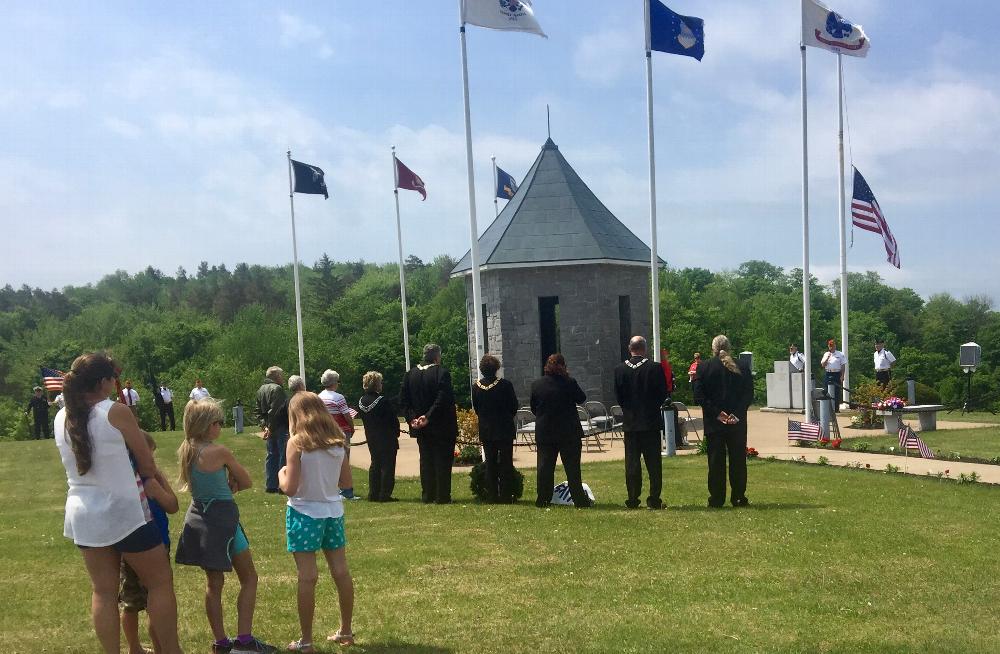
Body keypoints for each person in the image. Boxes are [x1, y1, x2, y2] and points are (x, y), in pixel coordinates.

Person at [53, 352, 183, 654]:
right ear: (103, 381)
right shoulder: (116, 412)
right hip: (125, 511)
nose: (116, 383)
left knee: (103, 592)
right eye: (113, 378)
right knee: (159, 583)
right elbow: (145, 459)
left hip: (83, 513)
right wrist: (151, 478)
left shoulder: (61, 416)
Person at [174, 399, 276, 654]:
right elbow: (247, 481)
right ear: (206, 426)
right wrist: (233, 482)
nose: (220, 426)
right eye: (217, 422)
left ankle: (220, 642)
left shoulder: (186, 449)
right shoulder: (219, 452)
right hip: (223, 520)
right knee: (249, 577)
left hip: (198, 517)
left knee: (214, 583)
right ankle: (244, 641)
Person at [279, 393, 356, 651]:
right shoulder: (337, 443)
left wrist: (281, 475)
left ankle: (306, 640)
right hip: (332, 511)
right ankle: (346, 630)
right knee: (341, 571)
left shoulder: (297, 443)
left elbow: (289, 487)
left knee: (307, 577)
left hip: (303, 512)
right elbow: (346, 484)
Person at [120, 432, 179, 654]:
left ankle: (159, 647)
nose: (152, 463)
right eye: (148, 458)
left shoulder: (156, 478)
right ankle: (134, 647)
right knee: (131, 602)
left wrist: (159, 487)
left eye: (153, 457)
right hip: (136, 548)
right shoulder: (127, 483)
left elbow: (173, 506)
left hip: (158, 544)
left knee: (155, 600)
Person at [693, 335, 754, 508]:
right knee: (738, 461)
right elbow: (748, 393)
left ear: (712, 348)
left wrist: (717, 413)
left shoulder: (704, 367)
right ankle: (739, 497)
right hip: (737, 422)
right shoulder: (742, 366)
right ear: (729, 347)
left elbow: (699, 396)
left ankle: (717, 499)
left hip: (714, 422)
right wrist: (737, 413)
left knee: (715, 462)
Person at [530, 353, 592, 508]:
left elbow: (533, 408)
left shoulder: (537, 384)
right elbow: (581, 398)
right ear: (563, 366)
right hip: (568, 432)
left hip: (545, 432)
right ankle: (579, 499)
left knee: (545, 468)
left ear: (546, 367)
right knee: (572, 469)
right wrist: (567, 377)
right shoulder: (569, 382)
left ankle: (543, 499)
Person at [400, 343, 459, 504]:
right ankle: (442, 496)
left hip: (419, 426)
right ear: (437, 356)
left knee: (426, 460)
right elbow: (443, 399)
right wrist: (428, 417)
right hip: (441, 425)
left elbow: (404, 400)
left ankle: (428, 494)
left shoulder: (410, 374)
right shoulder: (442, 373)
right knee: (443, 460)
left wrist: (412, 418)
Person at [614, 337, 669, 509]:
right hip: (650, 422)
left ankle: (632, 498)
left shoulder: (620, 369)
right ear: (644, 349)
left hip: (631, 423)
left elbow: (619, 397)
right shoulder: (654, 368)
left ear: (629, 348)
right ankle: (654, 499)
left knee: (632, 463)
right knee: (653, 464)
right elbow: (662, 394)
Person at [471, 354, 518, 504]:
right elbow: (513, 407)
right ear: (496, 368)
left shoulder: (476, 387)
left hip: (486, 430)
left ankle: (491, 495)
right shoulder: (505, 385)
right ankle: (505, 495)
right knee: (506, 463)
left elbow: (477, 409)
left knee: (490, 463)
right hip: (504, 429)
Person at [357, 371, 401, 502]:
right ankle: (385, 494)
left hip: (371, 436)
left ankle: (373, 493)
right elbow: (392, 419)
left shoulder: (361, 401)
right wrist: (396, 431)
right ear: (376, 384)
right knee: (387, 466)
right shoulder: (382, 401)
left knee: (375, 464)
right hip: (386, 437)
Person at [318, 370, 358, 500]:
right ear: (334, 383)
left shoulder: (319, 397)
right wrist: (352, 428)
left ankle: (332, 489)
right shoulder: (338, 397)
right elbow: (346, 415)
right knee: (344, 460)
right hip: (340, 431)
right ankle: (347, 491)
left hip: (325, 431)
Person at [255, 366, 287, 494]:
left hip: (270, 426)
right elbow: (275, 411)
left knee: (271, 455)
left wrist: (265, 426)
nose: (283, 378)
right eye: (281, 375)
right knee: (282, 455)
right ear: (276, 377)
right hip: (279, 426)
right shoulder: (277, 389)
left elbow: (258, 412)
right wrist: (270, 427)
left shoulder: (260, 390)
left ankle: (271, 484)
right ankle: (281, 485)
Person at [820, 339, 847, 405]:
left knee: (836, 390)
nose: (831, 347)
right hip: (828, 373)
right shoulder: (826, 354)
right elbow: (823, 365)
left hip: (836, 373)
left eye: (832, 345)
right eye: (830, 346)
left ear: (835, 346)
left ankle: (836, 407)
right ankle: (828, 406)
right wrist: (827, 358)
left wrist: (842, 376)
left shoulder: (840, 354)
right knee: (826, 389)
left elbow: (843, 366)